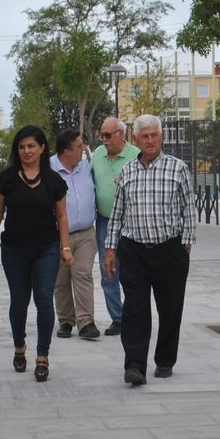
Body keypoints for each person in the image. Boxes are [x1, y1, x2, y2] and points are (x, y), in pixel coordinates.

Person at [103, 115, 194, 386]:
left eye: (155, 135)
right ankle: (134, 365)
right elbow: (117, 213)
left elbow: (188, 209)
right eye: (145, 136)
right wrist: (110, 249)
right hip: (134, 251)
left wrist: (186, 246)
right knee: (135, 309)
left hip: (170, 249)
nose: (150, 140)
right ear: (135, 140)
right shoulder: (127, 172)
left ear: (162, 137)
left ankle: (165, 360)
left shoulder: (178, 168)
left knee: (170, 309)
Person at [0, 125, 71, 383]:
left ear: (42, 148)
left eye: (32, 146)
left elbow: (62, 216)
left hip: (47, 248)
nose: (27, 151)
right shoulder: (7, 179)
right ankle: (19, 346)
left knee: (44, 300)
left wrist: (65, 248)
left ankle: (42, 356)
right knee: (19, 301)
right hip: (14, 249)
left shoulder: (54, 181)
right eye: (22, 147)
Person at [91, 116, 138, 336]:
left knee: (131, 271)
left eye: (108, 135)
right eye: (101, 135)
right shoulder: (97, 154)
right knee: (108, 271)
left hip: (131, 222)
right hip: (104, 221)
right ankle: (117, 318)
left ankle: (134, 316)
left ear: (121, 134)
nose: (104, 139)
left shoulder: (136, 155)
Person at [50, 127, 99, 340]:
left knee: (83, 274)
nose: (83, 149)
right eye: (79, 146)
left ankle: (86, 322)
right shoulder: (49, 169)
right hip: (58, 235)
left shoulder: (86, 166)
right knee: (61, 280)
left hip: (87, 233)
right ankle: (66, 321)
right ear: (66, 151)